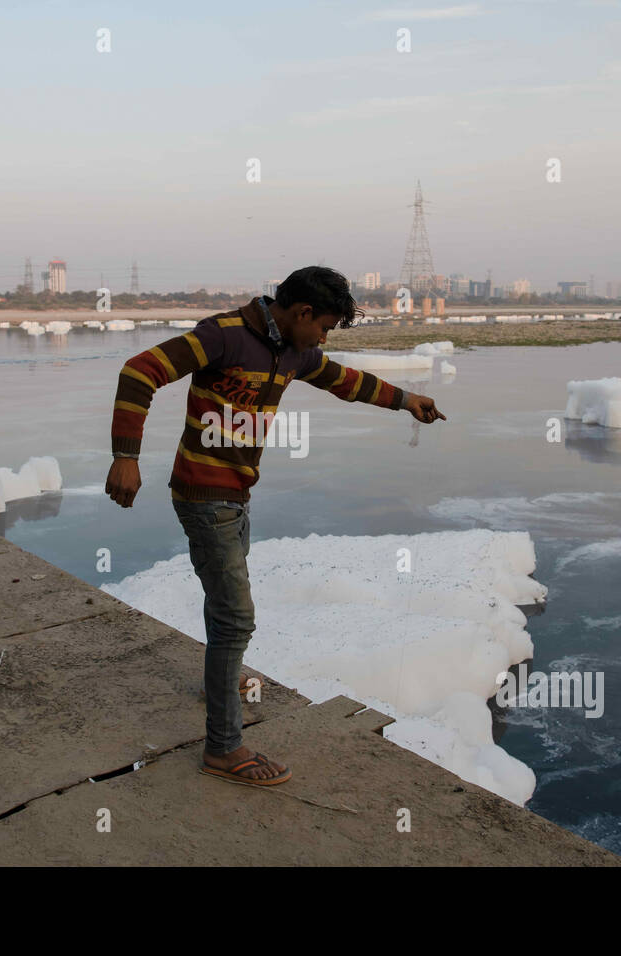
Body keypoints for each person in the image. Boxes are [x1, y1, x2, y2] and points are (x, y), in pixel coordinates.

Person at [105, 266, 445, 786]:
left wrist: (406, 400)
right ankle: (222, 749)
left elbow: (345, 382)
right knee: (236, 617)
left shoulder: (295, 351)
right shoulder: (224, 336)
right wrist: (126, 457)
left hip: (238, 494)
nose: (324, 339)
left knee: (224, 606)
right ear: (302, 312)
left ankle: (217, 679)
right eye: (325, 327)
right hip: (204, 494)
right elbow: (139, 371)